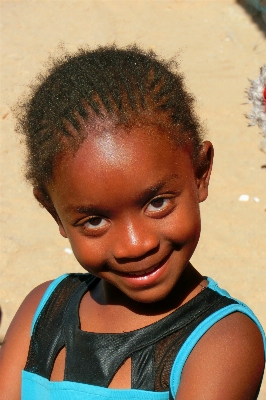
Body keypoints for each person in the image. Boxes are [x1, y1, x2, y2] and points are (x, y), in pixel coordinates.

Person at [0, 45, 265, 400]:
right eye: (94, 221)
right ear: (53, 212)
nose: (135, 245)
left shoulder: (222, 340)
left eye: (157, 203)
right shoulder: (40, 311)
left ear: (200, 174)